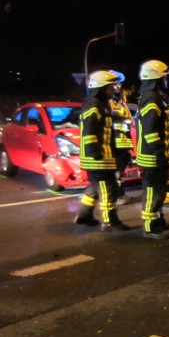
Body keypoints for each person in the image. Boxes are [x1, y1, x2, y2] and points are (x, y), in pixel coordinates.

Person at [75, 70, 131, 232]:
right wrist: (95, 153)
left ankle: (84, 215)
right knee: (109, 188)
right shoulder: (94, 104)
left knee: (95, 187)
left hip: (99, 156)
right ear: (101, 87)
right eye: (110, 86)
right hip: (98, 157)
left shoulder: (100, 103)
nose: (114, 88)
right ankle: (110, 222)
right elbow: (90, 130)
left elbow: (102, 124)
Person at [136, 59, 169, 240]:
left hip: (158, 154)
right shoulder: (151, 98)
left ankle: (159, 221)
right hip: (152, 156)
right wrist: (159, 151)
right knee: (153, 190)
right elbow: (150, 131)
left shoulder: (156, 97)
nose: (166, 81)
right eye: (164, 78)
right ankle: (150, 227)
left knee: (159, 190)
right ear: (156, 78)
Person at [108, 72, 135, 204]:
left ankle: (120, 193)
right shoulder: (107, 102)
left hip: (123, 143)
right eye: (115, 83)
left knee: (121, 172)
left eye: (119, 83)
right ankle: (116, 196)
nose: (118, 86)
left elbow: (130, 120)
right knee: (115, 172)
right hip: (114, 144)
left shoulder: (119, 102)